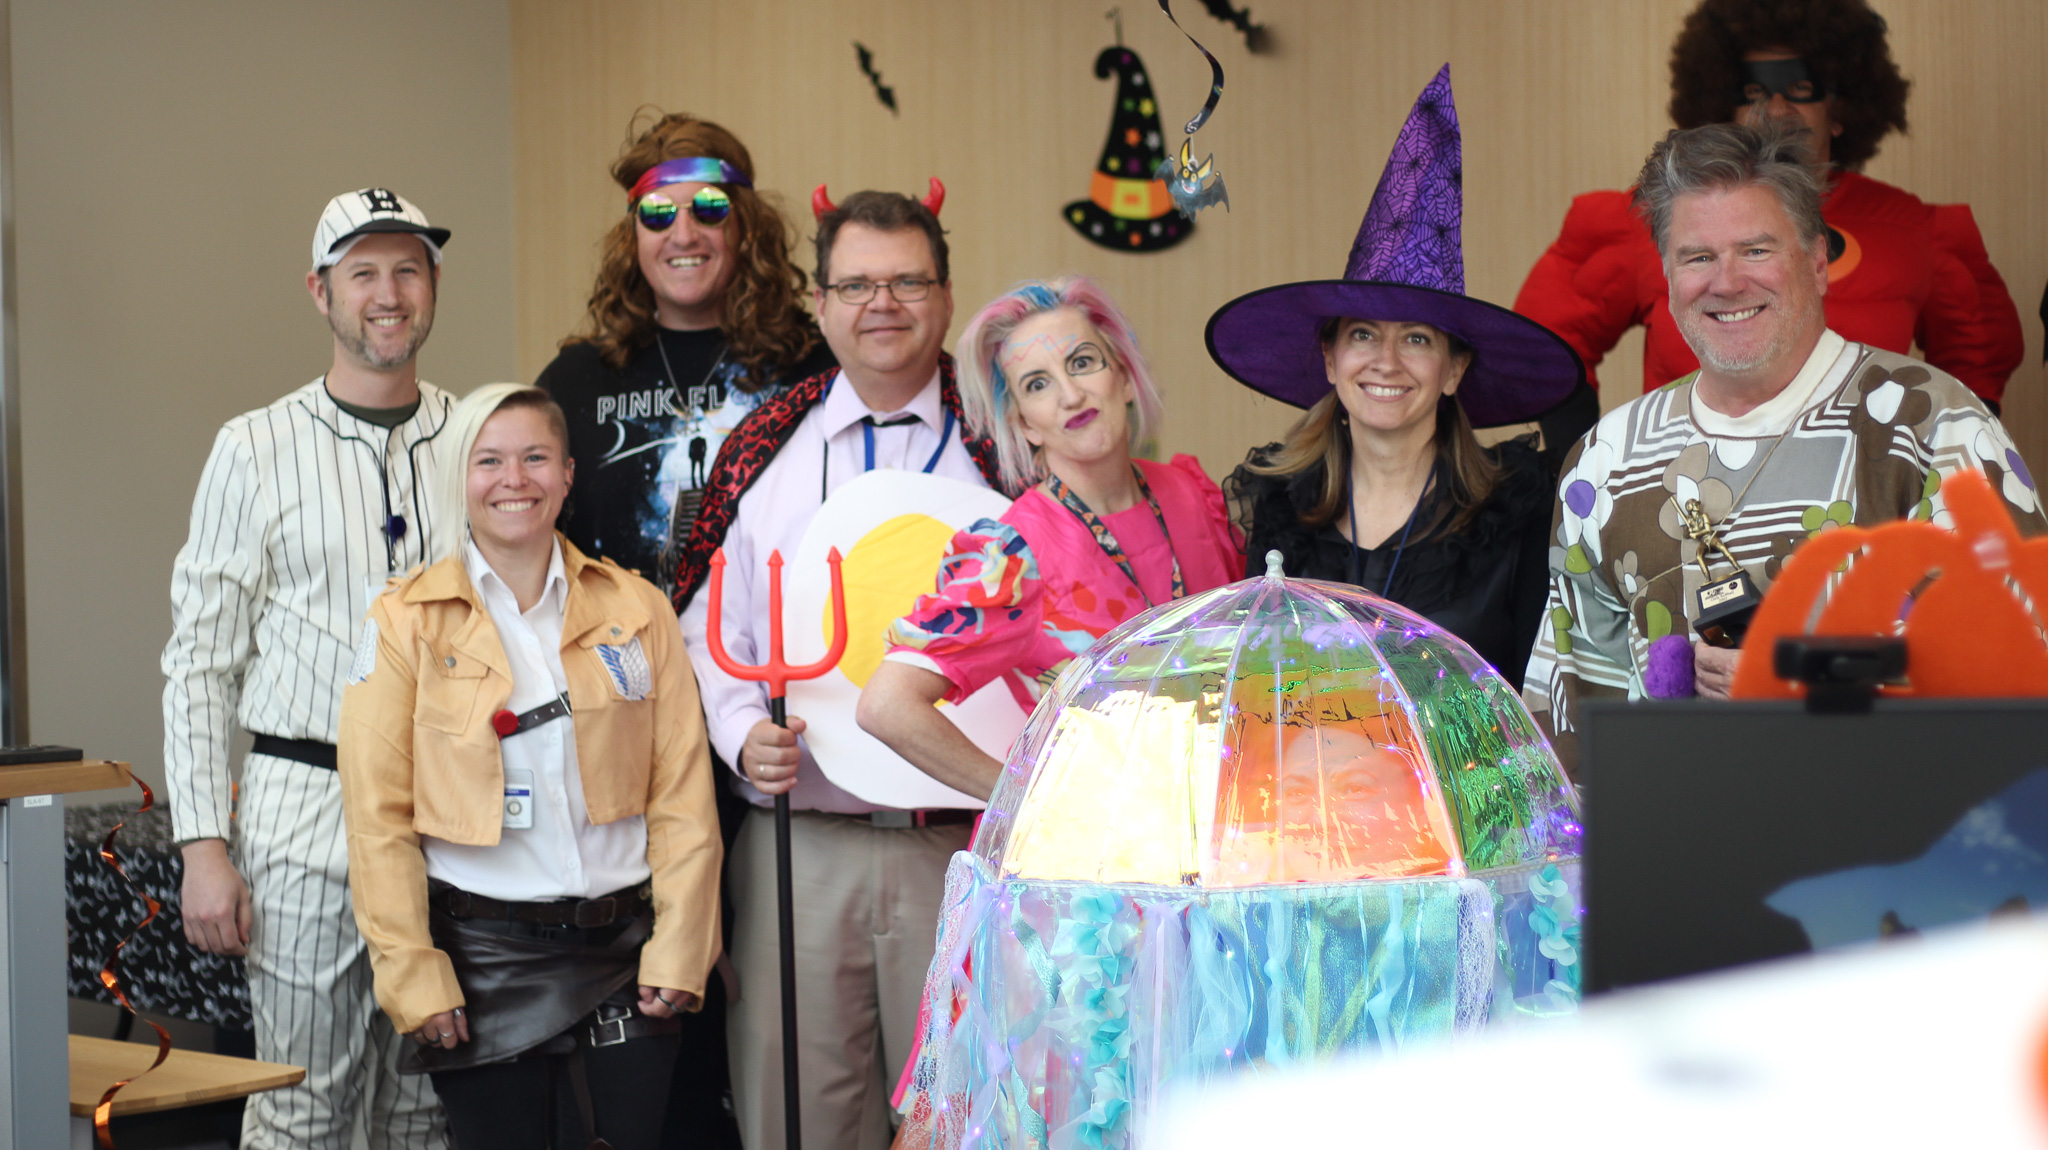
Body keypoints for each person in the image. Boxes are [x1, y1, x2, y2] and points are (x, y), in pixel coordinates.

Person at [1523, 121, 2046, 777]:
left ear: (1819, 262)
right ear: (1666, 273)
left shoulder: (1933, 425)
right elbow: (1566, 729)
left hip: (1887, 863)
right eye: (1697, 257)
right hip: (1671, 861)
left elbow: (2023, 662)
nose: (1728, 281)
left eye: (1756, 249)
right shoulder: (1607, 460)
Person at [674, 185, 1006, 1150]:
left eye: (908, 280)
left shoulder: (1007, 444)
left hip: (965, 849)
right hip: (798, 841)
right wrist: (740, 739)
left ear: (945, 297)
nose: (883, 303)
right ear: (819, 304)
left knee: (966, 1114)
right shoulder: (762, 451)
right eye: (856, 283)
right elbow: (705, 627)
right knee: (797, 1114)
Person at [336, 385, 721, 1150]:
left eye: (535, 457)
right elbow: (376, 820)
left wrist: (684, 944)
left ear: (569, 474)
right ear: (461, 476)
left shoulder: (638, 610)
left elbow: (681, 795)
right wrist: (413, 974)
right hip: (483, 961)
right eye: (490, 460)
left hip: (626, 955)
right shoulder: (404, 621)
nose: (515, 478)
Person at [162, 188, 454, 1148]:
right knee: (302, 1102)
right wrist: (204, 843)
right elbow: (200, 658)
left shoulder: (478, 440)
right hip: (303, 794)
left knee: (427, 1102)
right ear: (319, 292)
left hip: (449, 802)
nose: (388, 293)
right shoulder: (252, 447)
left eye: (407, 268)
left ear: (433, 285)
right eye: (362, 272)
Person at [1209, 65, 1584, 690]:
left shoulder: (1514, 511)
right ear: (1330, 359)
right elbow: (1254, 690)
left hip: (1465, 789)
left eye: (1416, 338)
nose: (1386, 361)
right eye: (1362, 335)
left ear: (1454, 368)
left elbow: (1534, 703)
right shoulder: (1282, 508)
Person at [1514, 0, 2024, 426]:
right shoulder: (1659, 219)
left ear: (1841, 109)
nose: (1776, 110)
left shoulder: (1915, 231)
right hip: (1691, 503)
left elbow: (1975, 368)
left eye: (1800, 90)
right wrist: (1581, 468)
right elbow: (1549, 342)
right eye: (1754, 92)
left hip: (1859, 518)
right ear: (1721, 106)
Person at [859, 277, 1244, 798]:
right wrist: (1025, 801)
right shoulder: (1014, 554)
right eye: (1037, 384)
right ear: (1026, 425)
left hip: (1228, 829)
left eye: (1083, 362)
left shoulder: (1195, 497)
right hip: (1097, 862)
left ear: (1125, 379)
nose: (1069, 394)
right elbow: (887, 706)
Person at [537, 111, 836, 592]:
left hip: (781, 660)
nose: (683, 234)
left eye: (709, 209)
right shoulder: (574, 381)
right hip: (615, 659)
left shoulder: (818, 368)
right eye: (657, 213)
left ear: (747, 227)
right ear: (632, 236)